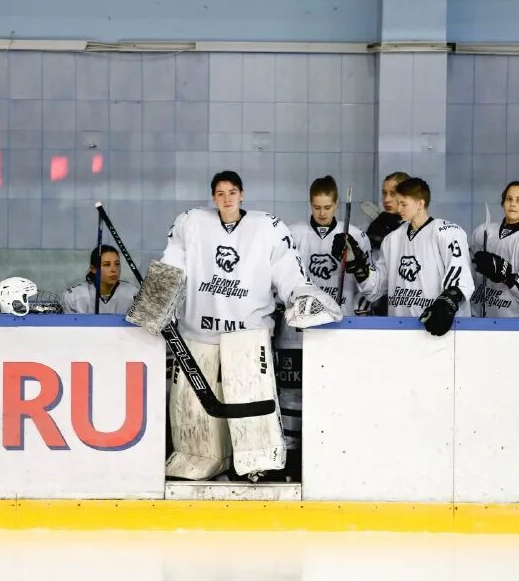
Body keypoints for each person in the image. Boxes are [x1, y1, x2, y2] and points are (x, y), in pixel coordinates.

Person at [132, 170, 341, 482]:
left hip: (247, 337)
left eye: (232, 192)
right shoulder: (191, 223)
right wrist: (155, 301)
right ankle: (197, 458)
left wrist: (303, 297)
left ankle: (259, 461)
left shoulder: (268, 228)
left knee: (251, 403)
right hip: (198, 335)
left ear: (242, 194)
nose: (226, 198)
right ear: (213, 197)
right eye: (220, 193)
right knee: (194, 411)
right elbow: (172, 262)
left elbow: (290, 273)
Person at [274, 175, 373, 480]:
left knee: (334, 394)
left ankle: (330, 453)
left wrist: (355, 261)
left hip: (336, 332)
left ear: (337, 204)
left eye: (328, 207)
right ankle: (291, 456)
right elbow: (278, 281)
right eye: (317, 206)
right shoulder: (292, 234)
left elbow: (369, 287)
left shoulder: (354, 234)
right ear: (310, 203)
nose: (322, 213)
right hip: (294, 335)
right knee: (291, 396)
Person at [357, 177, 474, 335]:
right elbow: (376, 289)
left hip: (437, 331)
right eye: (398, 203)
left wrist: (446, 303)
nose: (399, 209)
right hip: (398, 330)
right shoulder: (392, 239)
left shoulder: (446, 232)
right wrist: (356, 264)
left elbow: (460, 278)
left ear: (420, 203)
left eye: (403, 204)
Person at [470, 181, 519, 318]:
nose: (513, 204)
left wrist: (506, 275)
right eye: (509, 199)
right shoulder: (483, 231)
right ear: (503, 203)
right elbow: (468, 273)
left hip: (512, 324)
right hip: (476, 318)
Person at [358, 171, 410, 315]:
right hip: (381, 303)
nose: (386, 199)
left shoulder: (421, 229)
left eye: (393, 194)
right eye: (384, 193)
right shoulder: (375, 225)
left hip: (412, 306)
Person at [62, 245, 137, 314]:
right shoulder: (74, 296)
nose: (114, 269)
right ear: (93, 269)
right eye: (107, 265)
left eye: (117, 264)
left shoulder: (133, 295)